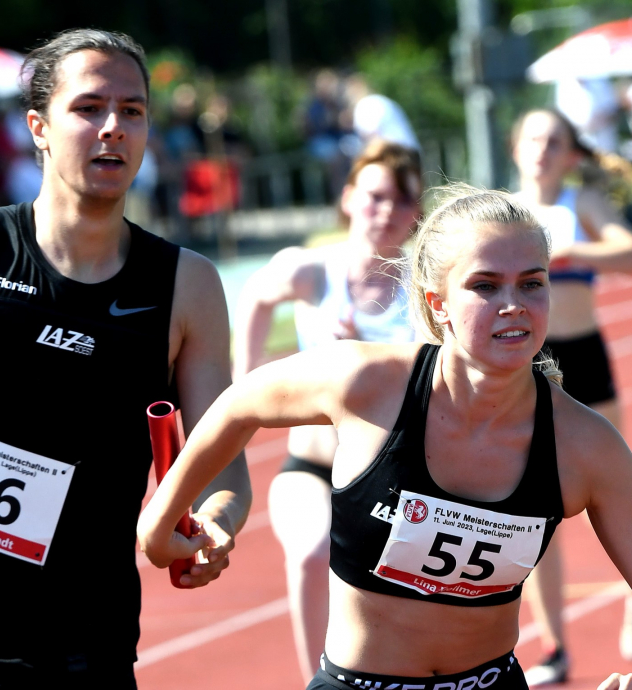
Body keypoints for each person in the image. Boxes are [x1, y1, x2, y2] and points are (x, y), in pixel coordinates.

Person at [138, 183, 632, 690]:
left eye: (531, 283)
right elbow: (238, 405)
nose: (513, 305)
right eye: (484, 285)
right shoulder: (368, 383)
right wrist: (162, 517)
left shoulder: (585, 445)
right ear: (438, 303)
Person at [0, 29, 251, 689]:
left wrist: (215, 522)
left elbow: (221, 459)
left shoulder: (187, 287)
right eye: (89, 108)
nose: (113, 128)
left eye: (132, 111)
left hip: (83, 651)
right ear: (37, 126)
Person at [232, 139, 422, 682]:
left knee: (399, 608)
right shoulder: (313, 271)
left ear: (417, 214)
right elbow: (255, 297)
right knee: (314, 553)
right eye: (375, 196)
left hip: (394, 479)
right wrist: (246, 383)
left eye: (402, 201)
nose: (386, 211)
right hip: (312, 468)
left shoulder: (424, 288)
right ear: (349, 197)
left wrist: (373, 360)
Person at [510, 108, 632, 686]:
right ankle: (555, 648)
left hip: (585, 357)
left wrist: (572, 252)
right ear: (516, 147)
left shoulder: (582, 204)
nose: (543, 148)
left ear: (571, 153)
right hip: (528, 366)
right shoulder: (504, 209)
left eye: (555, 141)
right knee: (531, 507)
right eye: (534, 137)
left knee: (612, 490)